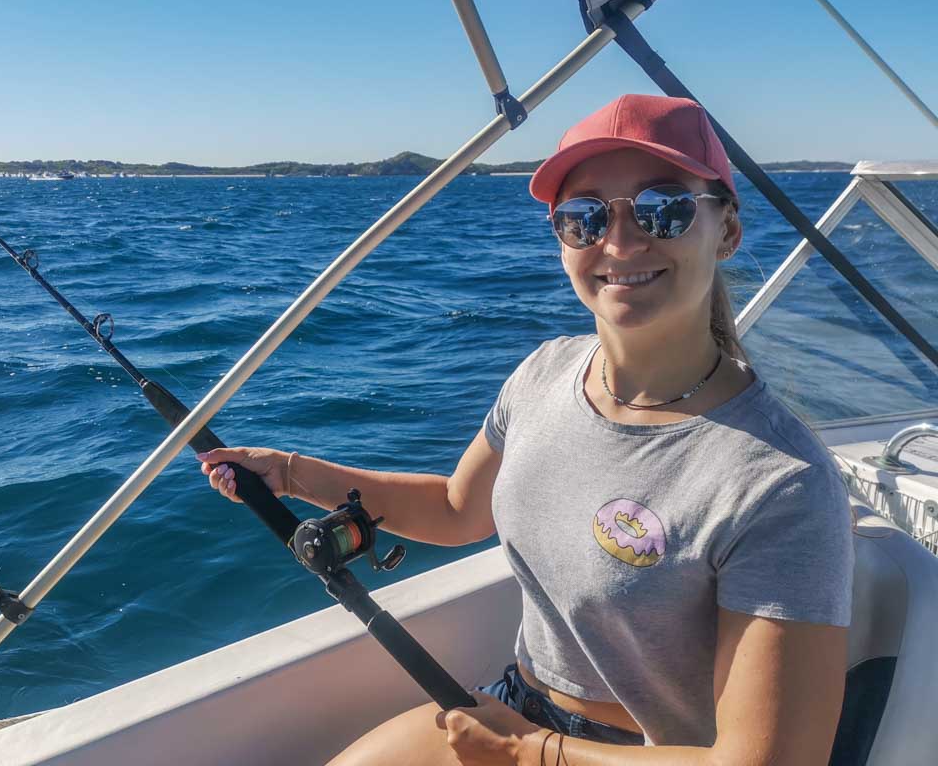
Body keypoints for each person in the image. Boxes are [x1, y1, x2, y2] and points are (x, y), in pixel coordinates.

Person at [198, 94, 853, 765]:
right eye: (585, 216)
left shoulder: (782, 484)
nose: (621, 242)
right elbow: (458, 509)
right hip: (513, 710)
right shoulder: (544, 374)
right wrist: (291, 473)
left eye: (665, 208)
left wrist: (530, 753)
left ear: (728, 229)